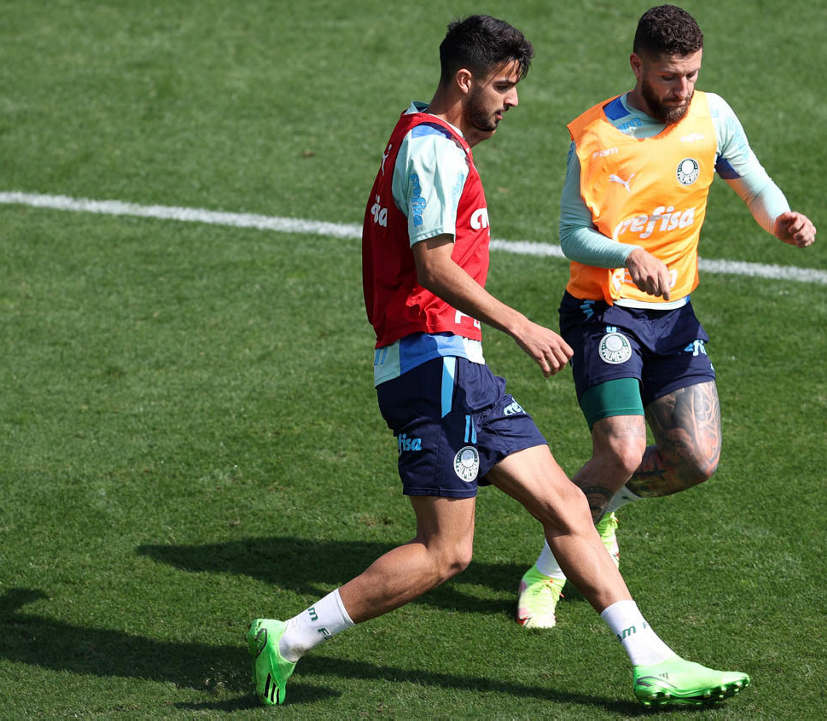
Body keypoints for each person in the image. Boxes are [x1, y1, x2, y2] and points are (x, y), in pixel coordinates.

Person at [246, 14, 749, 708]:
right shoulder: (434, 150)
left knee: (569, 504)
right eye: (503, 86)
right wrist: (519, 323)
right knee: (445, 552)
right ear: (465, 80)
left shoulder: (427, 134)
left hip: (456, 367)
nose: (512, 101)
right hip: (434, 366)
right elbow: (432, 265)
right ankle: (290, 636)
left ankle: (652, 661)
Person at [516, 5, 817, 629]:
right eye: (668, 77)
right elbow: (572, 235)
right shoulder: (597, 136)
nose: (682, 89)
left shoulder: (712, 115)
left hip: (672, 314)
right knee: (623, 450)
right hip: (603, 312)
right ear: (637, 66)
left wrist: (782, 220)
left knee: (695, 460)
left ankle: (599, 508)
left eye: (691, 75)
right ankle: (548, 570)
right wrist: (629, 253)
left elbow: (755, 185)